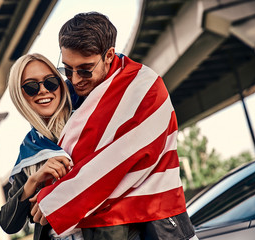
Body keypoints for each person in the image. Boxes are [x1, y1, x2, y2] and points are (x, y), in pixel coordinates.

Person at [30, 12, 198, 240]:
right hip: (99, 226)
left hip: (149, 222)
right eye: (68, 69)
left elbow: (119, 158)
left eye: (85, 69)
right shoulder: (73, 97)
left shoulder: (144, 87)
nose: (76, 79)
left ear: (109, 55)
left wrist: (57, 199)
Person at [0, 53, 84, 240]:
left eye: (51, 82)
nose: (43, 90)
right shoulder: (29, 152)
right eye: (31, 87)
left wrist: (54, 199)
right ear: (19, 96)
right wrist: (34, 181)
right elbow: (8, 224)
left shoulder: (87, 119)